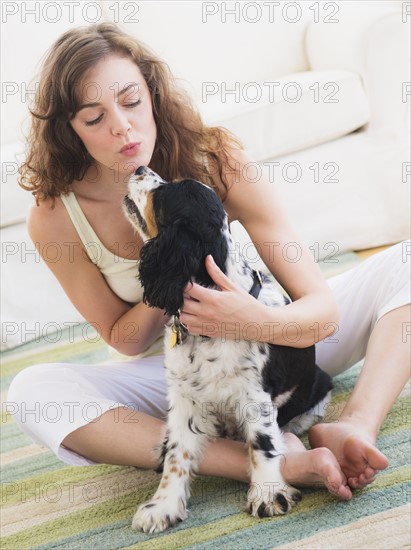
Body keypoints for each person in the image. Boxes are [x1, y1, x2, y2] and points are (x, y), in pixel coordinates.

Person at [8, 23, 410, 503]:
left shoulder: (216, 159)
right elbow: (125, 339)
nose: (121, 126)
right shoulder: (56, 214)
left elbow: (320, 313)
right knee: (33, 392)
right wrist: (177, 264)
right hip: (178, 380)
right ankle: (265, 463)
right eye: (94, 118)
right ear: (69, 131)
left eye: (131, 101)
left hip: (280, 352)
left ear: (153, 94)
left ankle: (353, 425)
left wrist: (259, 321)